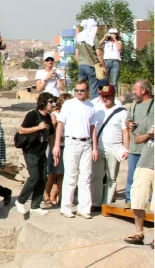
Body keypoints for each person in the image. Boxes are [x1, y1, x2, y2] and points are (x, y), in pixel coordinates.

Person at [53, 80, 97, 219]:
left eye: (82, 90)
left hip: (86, 142)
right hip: (72, 141)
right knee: (71, 176)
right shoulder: (69, 104)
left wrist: (95, 147)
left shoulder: (91, 106)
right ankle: (66, 206)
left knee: (86, 177)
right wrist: (56, 145)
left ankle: (84, 208)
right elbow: (60, 124)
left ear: (87, 91)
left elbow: (92, 127)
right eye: (77, 90)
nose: (79, 93)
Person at [15, 93, 56, 215]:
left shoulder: (48, 117)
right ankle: (20, 201)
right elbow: (22, 130)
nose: (52, 104)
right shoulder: (32, 115)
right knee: (34, 177)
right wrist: (38, 128)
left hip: (42, 151)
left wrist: (54, 150)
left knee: (43, 178)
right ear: (43, 102)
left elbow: (51, 135)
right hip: (31, 150)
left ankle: (35, 206)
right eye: (50, 101)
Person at [90, 84, 129, 208]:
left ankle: (107, 203)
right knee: (96, 176)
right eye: (103, 96)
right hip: (99, 148)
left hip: (114, 148)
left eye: (107, 96)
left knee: (111, 177)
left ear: (113, 96)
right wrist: (94, 147)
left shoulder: (121, 112)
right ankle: (96, 203)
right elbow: (94, 129)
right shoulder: (98, 110)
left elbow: (125, 132)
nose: (105, 99)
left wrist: (126, 149)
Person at [125, 117, 154, 245]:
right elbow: (136, 139)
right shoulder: (151, 118)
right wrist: (149, 134)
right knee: (137, 199)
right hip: (145, 164)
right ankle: (139, 234)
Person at [125, 80, 153, 205]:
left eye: (135, 89)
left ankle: (149, 202)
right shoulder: (134, 104)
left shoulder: (153, 104)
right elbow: (127, 120)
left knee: (148, 177)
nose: (133, 92)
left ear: (143, 90)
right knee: (132, 176)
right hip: (134, 146)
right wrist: (129, 123)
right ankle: (129, 199)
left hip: (148, 149)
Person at [44, 94, 72, 207]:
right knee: (52, 174)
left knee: (61, 174)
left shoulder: (69, 116)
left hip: (66, 146)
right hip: (55, 146)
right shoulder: (54, 115)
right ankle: (46, 195)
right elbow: (52, 132)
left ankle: (61, 197)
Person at [75, 18, 102, 99]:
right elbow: (99, 53)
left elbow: (77, 53)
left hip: (81, 65)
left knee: (80, 88)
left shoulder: (79, 37)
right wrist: (102, 65)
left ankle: (79, 103)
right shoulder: (93, 37)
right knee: (93, 89)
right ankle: (93, 107)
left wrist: (79, 63)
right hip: (91, 65)